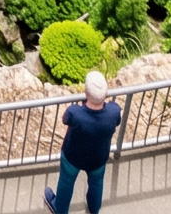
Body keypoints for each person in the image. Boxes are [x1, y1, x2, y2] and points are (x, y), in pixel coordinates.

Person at [44, 71, 123, 214]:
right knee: (97, 182)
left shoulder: (75, 113)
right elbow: (116, 121)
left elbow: (65, 120)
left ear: (86, 93)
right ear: (105, 94)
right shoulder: (113, 111)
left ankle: (60, 209)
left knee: (66, 183)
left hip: (72, 156)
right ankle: (94, 208)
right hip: (98, 157)